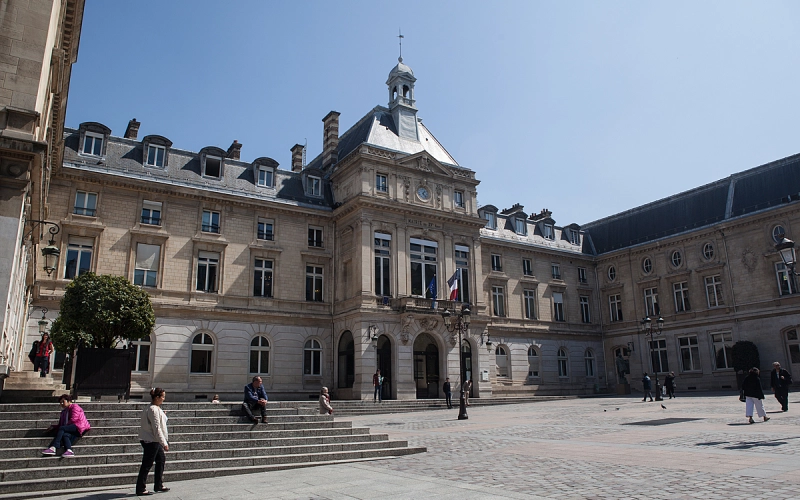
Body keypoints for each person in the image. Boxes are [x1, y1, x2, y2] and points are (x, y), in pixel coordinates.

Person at [136, 387, 170, 496]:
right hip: (151, 440)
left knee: (161, 459)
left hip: (152, 439)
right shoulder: (153, 409)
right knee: (147, 463)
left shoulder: (153, 408)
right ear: (157, 397)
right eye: (163, 397)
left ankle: (158, 484)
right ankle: (141, 488)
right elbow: (156, 428)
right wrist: (164, 443)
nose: (164, 399)